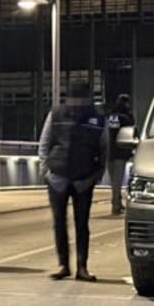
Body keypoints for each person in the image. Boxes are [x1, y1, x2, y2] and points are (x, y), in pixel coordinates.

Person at [38, 78, 108, 282]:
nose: (77, 103)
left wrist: (96, 176)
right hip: (58, 176)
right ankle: (63, 265)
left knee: (82, 223)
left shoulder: (97, 118)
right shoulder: (57, 113)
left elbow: (104, 149)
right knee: (59, 222)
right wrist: (46, 172)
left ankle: (81, 266)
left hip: (84, 178)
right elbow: (45, 142)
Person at [105, 93, 136, 215]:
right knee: (117, 181)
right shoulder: (126, 118)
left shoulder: (108, 116)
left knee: (114, 181)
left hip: (108, 152)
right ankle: (116, 205)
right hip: (120, 152)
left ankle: (117, 202)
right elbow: (131, 133)